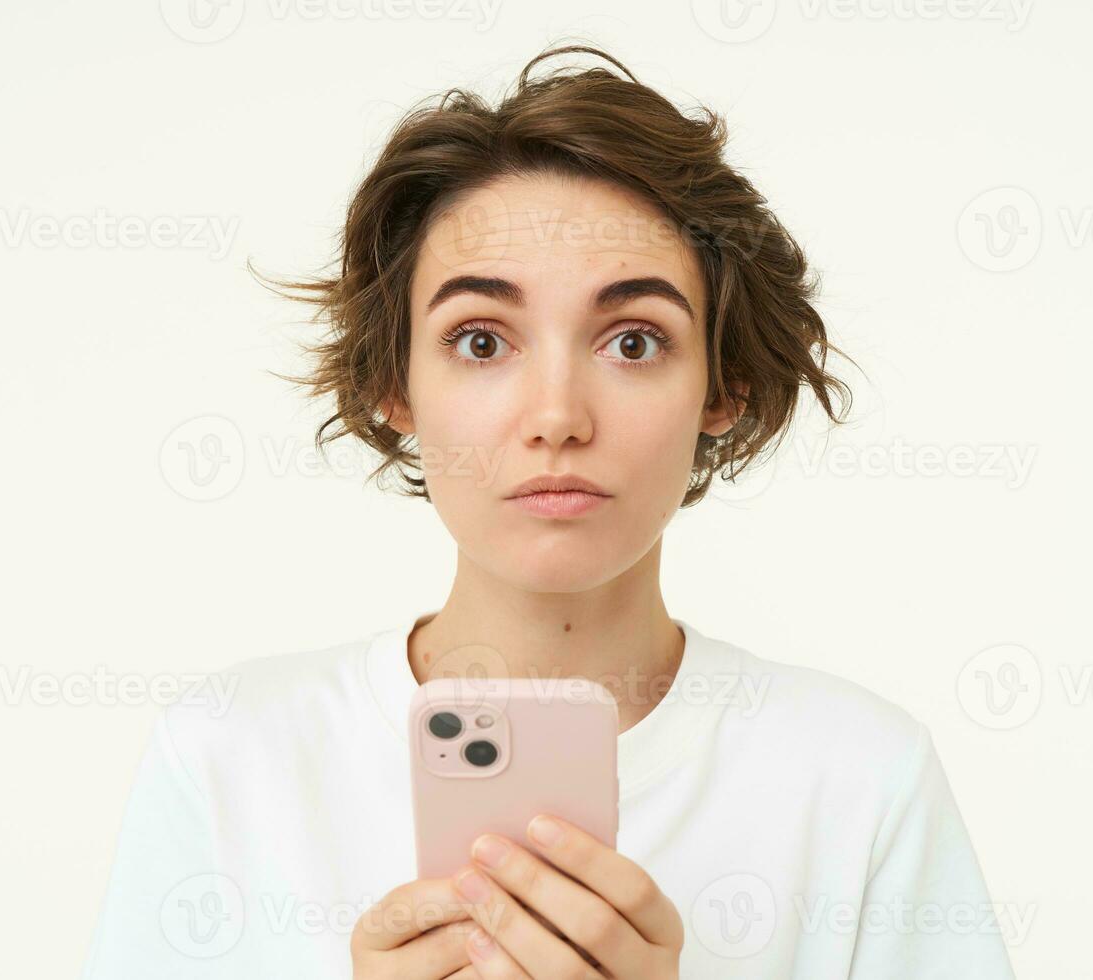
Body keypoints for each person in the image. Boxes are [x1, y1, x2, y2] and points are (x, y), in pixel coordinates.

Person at [82, 43, 1018, 979]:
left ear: (723, 385)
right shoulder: (229, 759)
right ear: (392, 383)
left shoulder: (860, 782)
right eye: (482, 340)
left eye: (635, 340)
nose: (558, 418)